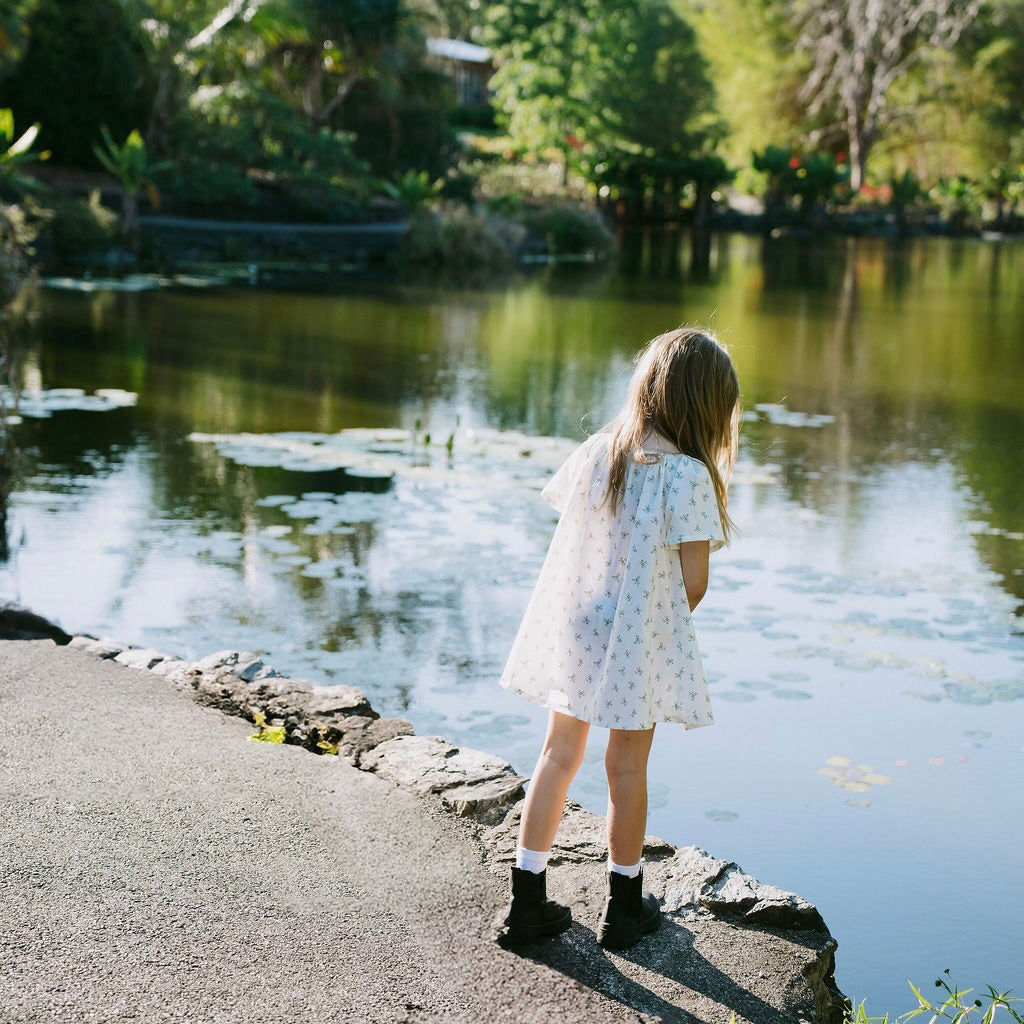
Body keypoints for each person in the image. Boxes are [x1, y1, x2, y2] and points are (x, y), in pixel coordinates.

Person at [494, 327, 740, 951]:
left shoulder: (598, 453)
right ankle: (624, 907)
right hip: (637, 639)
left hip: (578, 622)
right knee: (626, 765)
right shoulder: (686, 477)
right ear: (707, 409)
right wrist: (652, 626)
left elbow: (575, 544)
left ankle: (527, 901)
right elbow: (694, 582)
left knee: (557, 754)